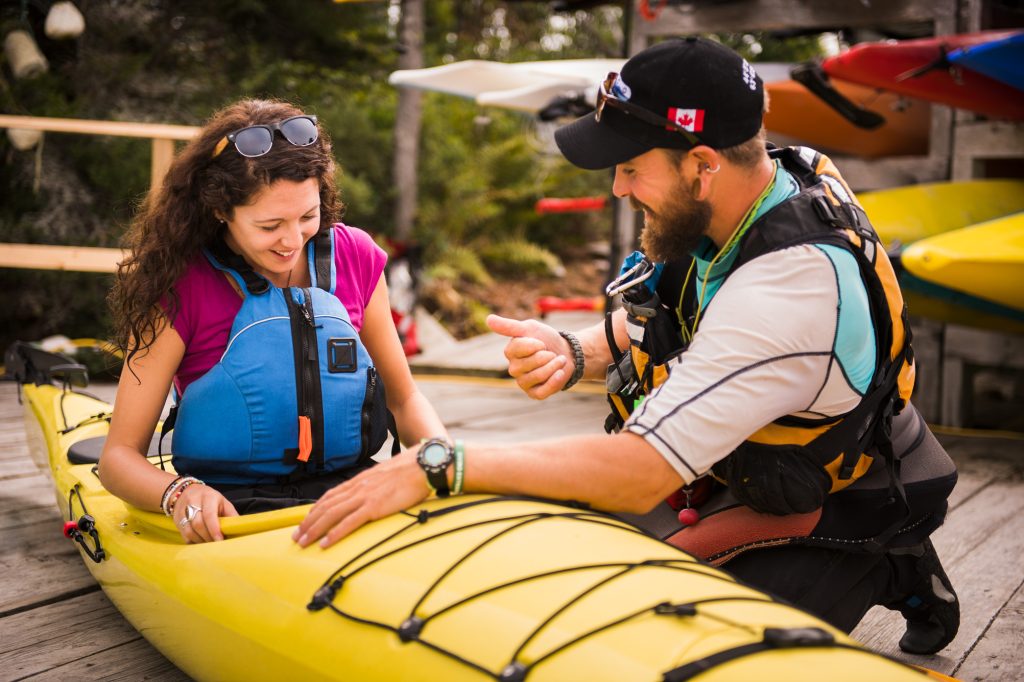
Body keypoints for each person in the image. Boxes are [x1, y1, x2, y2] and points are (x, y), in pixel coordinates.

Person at [294, 39, 960, 655]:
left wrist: (439, 464)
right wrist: (575, 349)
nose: (616, 188)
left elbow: (639, 470)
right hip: (746, 451)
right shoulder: (766, 184)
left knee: (641, 642)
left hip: (813, 490)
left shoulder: (789, 288)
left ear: (702, 165)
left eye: (632, 168)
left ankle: (888, 555)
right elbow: (680, 309)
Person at [99, 98, 446, 544]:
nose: (291, 240)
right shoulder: (178, 284)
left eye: (307, 216)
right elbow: (119, 457)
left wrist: (440, 459)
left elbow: (404, 399)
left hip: (355, 492)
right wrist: (177, 492)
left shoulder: (355, 255)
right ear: (221, 210)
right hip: (233, 513)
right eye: (269, 225)